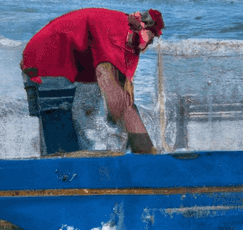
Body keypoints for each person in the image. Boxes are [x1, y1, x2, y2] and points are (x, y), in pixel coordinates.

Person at [20, 8, 164, 155]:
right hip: (47, 61)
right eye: (152, 36)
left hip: (50, 60)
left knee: (66, 142)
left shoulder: (127, 40)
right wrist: (145, 149)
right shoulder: (114, 32)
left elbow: (124, 95)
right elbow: (114, 96)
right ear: (143, 27)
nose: (152, 42)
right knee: (62, 146)